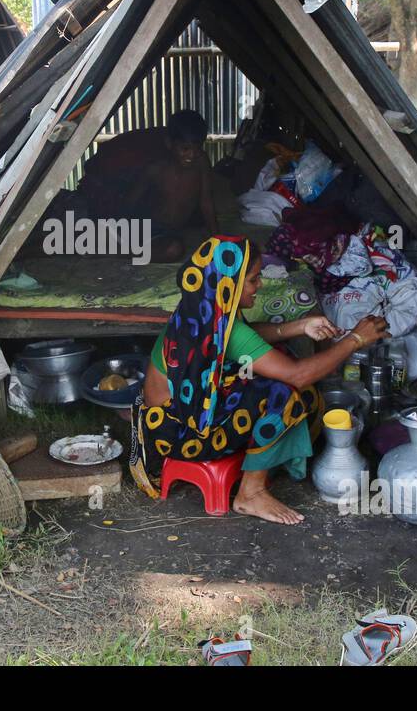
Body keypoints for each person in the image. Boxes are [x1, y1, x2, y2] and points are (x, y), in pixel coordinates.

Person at [130, 235, 390, 525]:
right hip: (182, 435)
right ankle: (250, 493)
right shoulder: (223, 324)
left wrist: (301, 326)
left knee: (276, 372)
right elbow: (298, 374)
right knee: (284, 392)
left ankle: (263, 463)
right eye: (253, 280)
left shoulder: (203, 308)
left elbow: (240, 339)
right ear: (231, 284)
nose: (260, 286)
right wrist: (355, 340)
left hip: (169, 421)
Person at [78, 110, 219, 262]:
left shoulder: (201, 162)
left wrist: (217, 237)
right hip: (147, 228)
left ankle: (126, 247)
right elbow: (129, 204)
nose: (191, 155)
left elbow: (206, 202)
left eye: (197, 149)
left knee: (178, 245)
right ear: (169, 144)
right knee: (174, 250)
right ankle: (119, 250)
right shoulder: (155, 169)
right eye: (185, 149)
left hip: (170, 232)